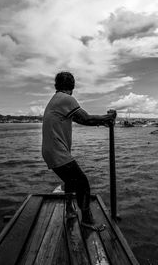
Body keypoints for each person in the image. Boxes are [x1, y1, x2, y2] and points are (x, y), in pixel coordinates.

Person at [42, 71, 116, 230]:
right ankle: (87, 220)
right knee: (82, 182)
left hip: (50, 151)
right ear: (72, 86)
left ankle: (70, 210)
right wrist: (108, 117)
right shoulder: (66, 98)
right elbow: (86, 118)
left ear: (57, 85)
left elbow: (80, 119)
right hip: (57, 151)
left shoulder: (56, 100)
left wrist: (101, 122)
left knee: (70, 180)